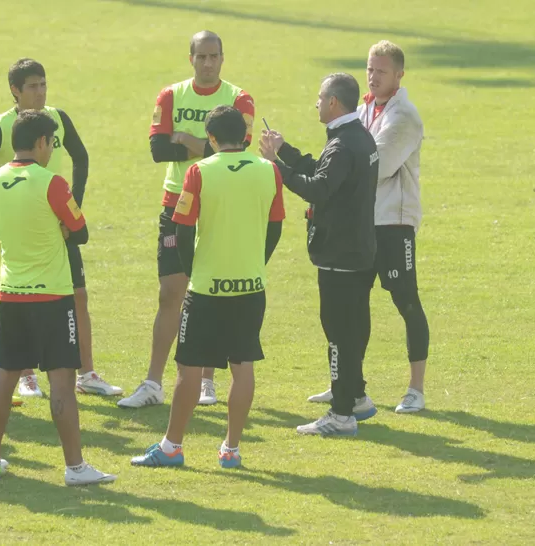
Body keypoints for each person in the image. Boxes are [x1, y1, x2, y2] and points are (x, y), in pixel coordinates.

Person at [0, 58, 121, 399]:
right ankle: (26, 375)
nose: (40, 91)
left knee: (78, 295)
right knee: (23, 295)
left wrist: (74, 204)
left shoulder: (57, 119)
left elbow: (82, 156)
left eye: (43, 83)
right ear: (15, 90)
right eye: (32, 85)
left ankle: (86, 372)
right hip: (24, 229)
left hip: (58, 225)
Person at [131, 106, 284, 469]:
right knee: (242, 364)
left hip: (206, 288)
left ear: (211, 139)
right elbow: (275, 226)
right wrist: (256, 263)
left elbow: (183, 227)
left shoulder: (200, 171)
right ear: (245, 137)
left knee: (189, 368)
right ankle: (231, 449)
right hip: (251, 286)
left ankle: (172, 447)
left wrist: (191, 268)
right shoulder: (270, 171)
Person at [118, 30, 255, 409]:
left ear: (222, 59)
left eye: (214, 56)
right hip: (176, 205)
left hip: (218, 205)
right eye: (201, 57)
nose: (208, 63)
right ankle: (152, 383)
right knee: (170, 293)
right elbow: (158, 150)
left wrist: (185, 138)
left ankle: (207, 382)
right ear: (190, 58)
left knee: (211, 293)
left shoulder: (239, 98)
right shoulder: (171, 95)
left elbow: (239, 148)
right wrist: (206, 145)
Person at [0, 110, 116, 485]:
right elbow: (81, 231)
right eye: (52, 142)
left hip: (11, 294)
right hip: (53, 299)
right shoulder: (52, 182)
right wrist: (60, 226)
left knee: (4, 380)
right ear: (42, 142)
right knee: (61, 383)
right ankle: (75, 468)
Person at [306, 41, 428, 413]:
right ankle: (347, 385)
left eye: (382, 71)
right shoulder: (361, 110)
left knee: (406, 301)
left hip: (393, 222)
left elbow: (375, 167)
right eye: (370, 69)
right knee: (351, 305)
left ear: (399, 75)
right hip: (362, 222)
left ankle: (416, 389)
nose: (373, 77)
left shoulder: (404, 116)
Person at [260, 73, 379, 437]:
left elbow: (319, 189)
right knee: (355, 326)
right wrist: (285, 150)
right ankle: (354, 394)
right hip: (360, 249)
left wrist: (275, 167)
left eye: (319, 97)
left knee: (339, 330)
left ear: (332, 103)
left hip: (340, 252)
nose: (315, 103)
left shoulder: (343, 144)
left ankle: (341, 413)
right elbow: (326, 172)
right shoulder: (357, 137)